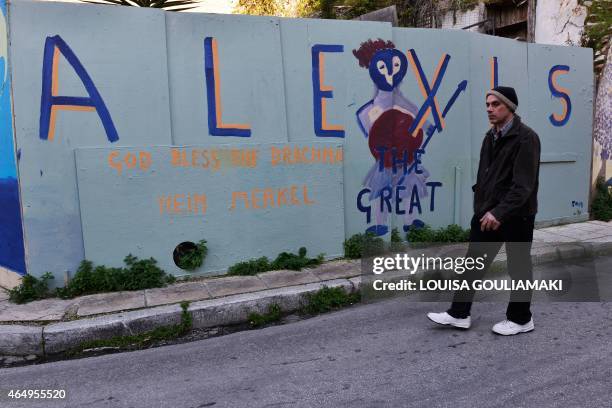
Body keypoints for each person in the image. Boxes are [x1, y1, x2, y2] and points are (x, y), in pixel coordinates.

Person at [427, 86, 541, 335]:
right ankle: (459, 314)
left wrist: (499, 212)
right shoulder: (490, 137)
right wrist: (481, 208)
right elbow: (485, 176)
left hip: (517, 215)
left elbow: (523, 186)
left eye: (495, 104)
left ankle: (521, 319)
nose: (489, 109)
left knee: (519, 267)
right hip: (487, 214)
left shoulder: (526, 138)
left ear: (509, 107)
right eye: (487, 104)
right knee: (473, 264)